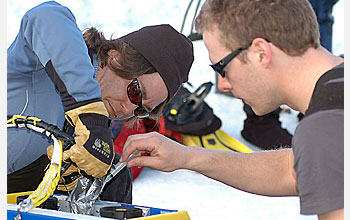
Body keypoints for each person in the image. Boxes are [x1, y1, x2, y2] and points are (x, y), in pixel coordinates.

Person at [120, 0, 344, 219]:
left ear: (260, 53)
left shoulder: (325, 128)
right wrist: (185, 157)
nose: (222, 85)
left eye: (222, 68)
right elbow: (294, 169)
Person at [7, 1, 194, 203]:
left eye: (141, 110)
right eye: (136, 91)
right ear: (115, 57)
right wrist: (88, 110)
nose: (128, 110)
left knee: (114, 176)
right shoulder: (42, 61)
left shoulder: (90, 140)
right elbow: (46, 15)